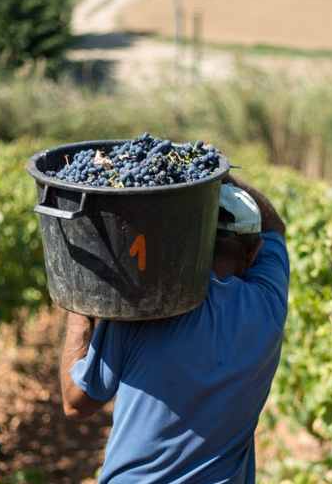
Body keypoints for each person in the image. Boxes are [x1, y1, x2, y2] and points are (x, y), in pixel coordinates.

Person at [58, 174, 289, 483]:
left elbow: (76, 402)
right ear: (253, 253)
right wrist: (222, 174)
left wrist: (79, 301)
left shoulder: (147, 303)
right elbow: (275, 227)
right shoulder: (268, 307)